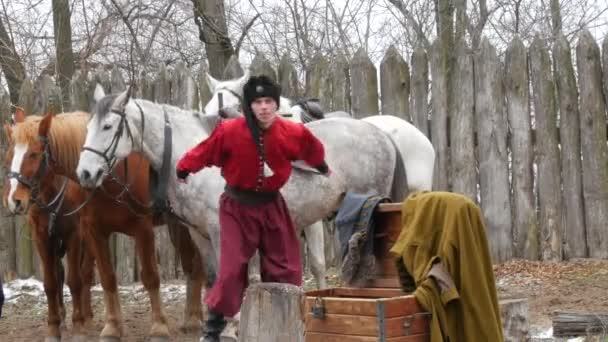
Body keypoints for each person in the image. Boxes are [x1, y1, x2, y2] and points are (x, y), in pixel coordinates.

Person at [175, 75, 330, 342]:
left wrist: (322, 167)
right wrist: (184, 167)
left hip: (272, 207)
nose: (264, 107)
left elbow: (311, 148)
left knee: (286, 268)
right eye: (258, 102)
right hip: (237, 208)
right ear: (250, 105)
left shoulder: (292, 131)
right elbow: (205, 151)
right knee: (232, 269)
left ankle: (284, 327)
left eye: (269, 101)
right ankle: (212, 332)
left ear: (276, 103)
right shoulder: (229, 131)